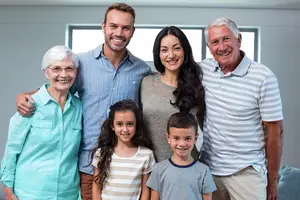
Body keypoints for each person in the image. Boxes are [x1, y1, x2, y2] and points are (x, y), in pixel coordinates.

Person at [15, 3, 151, 199]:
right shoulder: (81, 64)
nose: (119, 33)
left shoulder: (141, 70)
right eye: (113, 26)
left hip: (128, 169)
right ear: (103, 26)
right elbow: (56, 90)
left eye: (125, 28)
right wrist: (24, 95)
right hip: (89, 167)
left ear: (133, 31)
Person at [200, 17, 284, 200]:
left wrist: (273, 180)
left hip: (247, 172)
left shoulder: (263, 77)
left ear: (239, 40)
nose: (221, 47)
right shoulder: (203, 70)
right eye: (215, 42)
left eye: (226, 39)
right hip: (209, 170)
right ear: (209, 47)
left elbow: (276, 131)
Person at [0, 45, 82, 200]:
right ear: (46, 72)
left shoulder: (80, 108)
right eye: (56, 68)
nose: (63, 74)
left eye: (69, 68)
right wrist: (7, 187)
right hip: (30, 193)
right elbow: (12, 149)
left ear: (76, 72)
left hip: (68, 193)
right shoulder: (28, 105)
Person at [141, 26, 205, 162]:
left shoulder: (197, 87)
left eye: (176, 48)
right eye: (164, 50)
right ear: (158, 54)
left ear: (185, 51)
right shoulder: (146, 83)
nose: (171, 55)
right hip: (151, 168)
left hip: (187, 168)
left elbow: (209, 128)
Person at [91, 99, 155, 200]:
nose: (125, 130)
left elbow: (145, 190)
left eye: (130, 124)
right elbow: (96, 187)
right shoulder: (101, 153)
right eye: (120, 124)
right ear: (112, 126)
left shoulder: (146, 155)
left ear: (136, 125)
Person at [147, 112, 216, 200]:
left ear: (195, 138)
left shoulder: (204, 171)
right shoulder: (158, 169)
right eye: (176, 138)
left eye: (187, 138)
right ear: (168, 138)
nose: (182, 144)